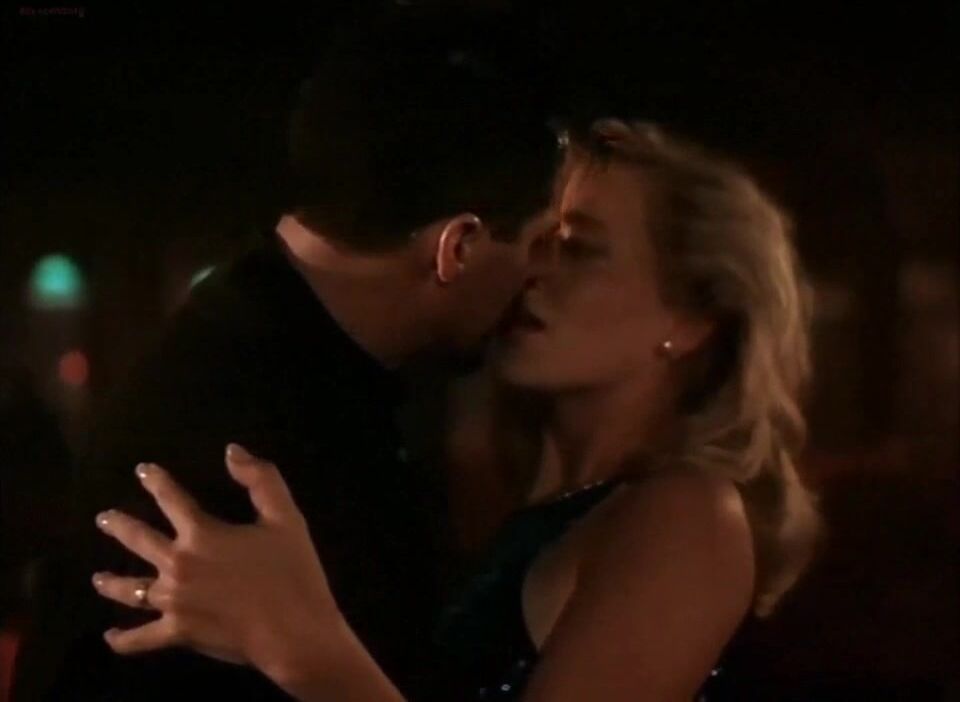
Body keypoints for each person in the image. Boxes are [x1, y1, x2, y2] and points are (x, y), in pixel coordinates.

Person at [91, 119, 822, 701]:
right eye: (535, 239)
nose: (532, 270)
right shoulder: (505, 504)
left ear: (692, 319)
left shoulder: (689, 515)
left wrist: (301, 646)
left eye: (577, 250)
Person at [12, 11, 556, 702]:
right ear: (460, 246)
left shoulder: (276, 352)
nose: (543, 275)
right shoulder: (260, 434)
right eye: (539, 244)